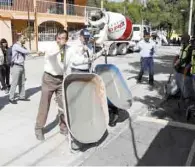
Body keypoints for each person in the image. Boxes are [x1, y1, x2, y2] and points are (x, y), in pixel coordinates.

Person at [35, 29, 70, 141]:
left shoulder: (68, 49)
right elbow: (50, 53)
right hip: (48, 79)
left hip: (61, 80)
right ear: (56, 38)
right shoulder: (52, 47)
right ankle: (38, 128)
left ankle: (63, 127)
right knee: (44, 105)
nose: (60, 40)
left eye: (63, 38)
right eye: (59, 38)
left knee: (63, 106)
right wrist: (59, 46)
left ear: (67, 39)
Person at [9, 33, 39, 104]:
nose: (25, 40)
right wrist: (36, 51)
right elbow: (25, 52)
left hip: (22, 66)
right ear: (19, 39)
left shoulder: (22, 46)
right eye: (23, 38)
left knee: (22, 83)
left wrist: (35, 54)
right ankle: (11, 98)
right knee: (14, 83)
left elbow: (27, 53)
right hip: (16, 66)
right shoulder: (16, 46)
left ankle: (21, 96)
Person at [174, 33, 195, 105]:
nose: (180, 40)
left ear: (185, 40)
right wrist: (176, 62)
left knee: (186, 86)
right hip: (180, 69)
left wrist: (187, 67)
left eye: (181, 38)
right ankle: (183, 96)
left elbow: (190, 60)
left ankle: (187, 101)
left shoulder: (191, 48)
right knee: (180, 84)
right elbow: (181, 57)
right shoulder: (183, 47)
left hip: (186, 71)